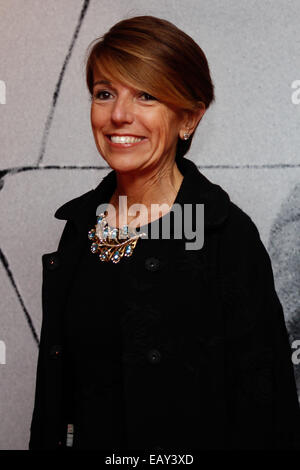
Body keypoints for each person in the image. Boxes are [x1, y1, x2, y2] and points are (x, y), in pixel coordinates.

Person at [29, 15, 300, 450]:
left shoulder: (225, 235)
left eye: (146, 95)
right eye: (104, 93)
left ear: (188, 118)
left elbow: (268, 410)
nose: (119, 114)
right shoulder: (80, 228)